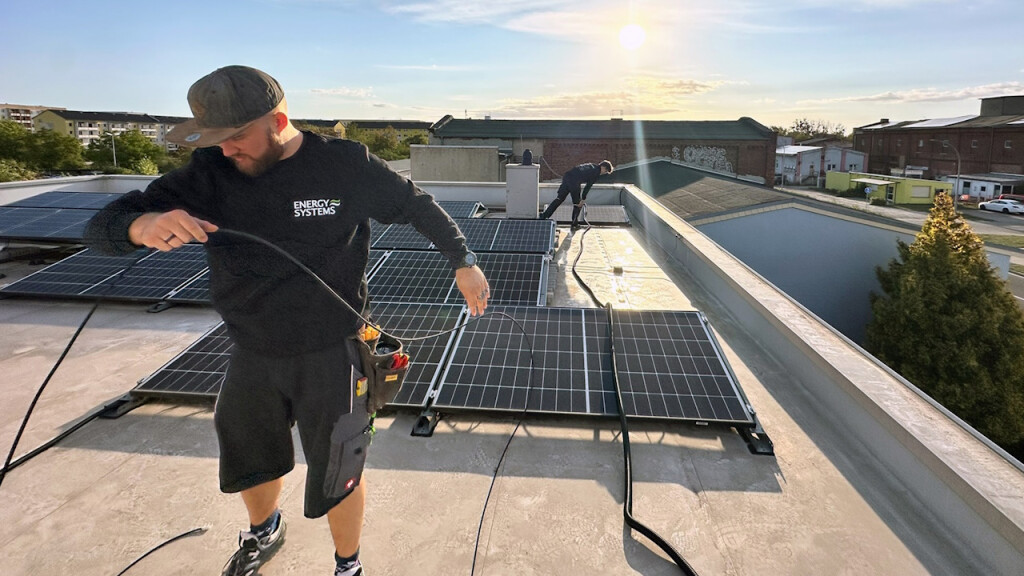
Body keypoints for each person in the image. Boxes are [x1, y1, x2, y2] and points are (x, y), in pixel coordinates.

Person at [84, 65, 490, 576]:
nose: (227, 150)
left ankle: (348, 564)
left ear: (278, 121)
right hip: (252, 347)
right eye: (216, 139)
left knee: (340, 468)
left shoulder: (343, 165)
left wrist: (464, 260)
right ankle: (265, 529)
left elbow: (417, 206)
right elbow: (101, 226)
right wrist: (141, 224)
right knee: (248, 457)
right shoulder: (209, 172)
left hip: (333, 349)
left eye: (237, 137)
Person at [538, 160, 614, 228]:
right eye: (605, 171)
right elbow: (588, 186)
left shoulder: (592, 165)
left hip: (567, 176)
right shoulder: (596, 172)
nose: (603, 173)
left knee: (559, 199)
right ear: (603, 167)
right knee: (578, 204)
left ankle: (544, 215)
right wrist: (583, 199)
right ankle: (574, 223)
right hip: (574, 181)